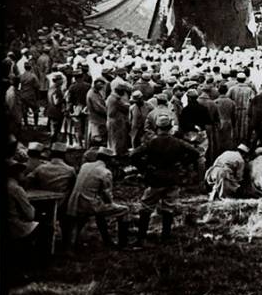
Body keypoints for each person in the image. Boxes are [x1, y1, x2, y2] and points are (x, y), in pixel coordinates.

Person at [130, 115, 201, 246]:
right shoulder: (177, 142)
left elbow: (133, 155)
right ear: (169, 128)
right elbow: (195, 153)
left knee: (146, 207)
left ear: (157, 128)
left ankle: (141, 237)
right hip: (172, 178)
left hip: (155, 178)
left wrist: (143, 168)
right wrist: (182, 163)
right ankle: (165, 237)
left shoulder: (151, 142)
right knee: (168, 208)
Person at [64, 147, 130, 250]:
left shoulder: (85, 166)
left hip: (74, 202)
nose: (114, 161)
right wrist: (111, 203)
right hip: (88, 204)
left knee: (99, 212)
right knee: (124, 210)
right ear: (109, 160)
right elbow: (107, 195)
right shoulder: (105, 172)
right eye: (113, 159)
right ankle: (123, 244)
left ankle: (106, 240)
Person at [106, 84, 131, 156]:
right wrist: (128, 105)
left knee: (113, 138)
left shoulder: (110, 97)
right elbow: (124, 108)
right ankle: (117, 153)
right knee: (117, 138)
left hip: (111, 120)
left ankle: (114, 151)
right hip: (116, 121)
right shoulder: (115, 99)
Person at [86, 78, 108, 146]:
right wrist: (107, 112)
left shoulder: (96, 92)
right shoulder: (92, 93)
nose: (102, 86)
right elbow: (98, 108)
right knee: (97, 138)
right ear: (95, 84)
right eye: (100, 84)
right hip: (97, 119)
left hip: (96, 119)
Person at [47, 73, 67, 143]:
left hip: (51, 111)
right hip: (56, 113)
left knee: (54, 130)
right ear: (57, 80)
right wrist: (64, 99)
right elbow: (56, 102)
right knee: (55, 131)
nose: (62, 81)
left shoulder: (51, 88)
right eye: (61, 80)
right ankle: (53, 145)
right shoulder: (56, 90)